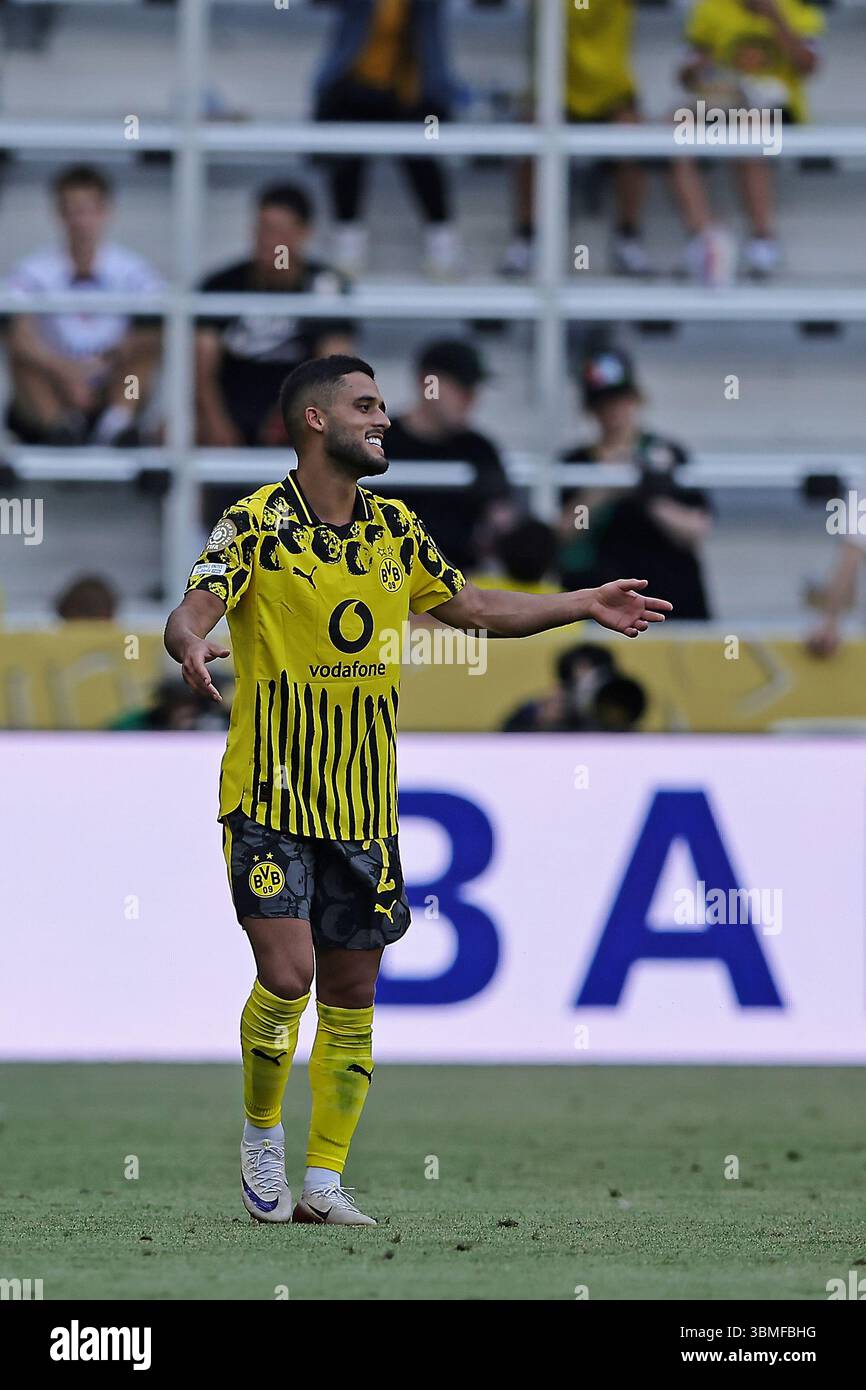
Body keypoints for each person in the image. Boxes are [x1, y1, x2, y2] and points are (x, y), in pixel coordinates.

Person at [163, 354, 672, 1227]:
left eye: (384, 407)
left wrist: (581, 600)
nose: (385, 419)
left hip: (362, 805)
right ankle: (260, 1138)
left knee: (352, 995)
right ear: (316, 421)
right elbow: (195, 607)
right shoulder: (253, 523)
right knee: (287, 976)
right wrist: (188, 643)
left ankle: (323, 1180)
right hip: (271, 798)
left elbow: (472, 607)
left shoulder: (395, 528)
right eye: (366, 405)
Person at [6, 165, 162, 446]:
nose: (81, 221)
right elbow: (17, 335)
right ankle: (60, 430)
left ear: (106, 211)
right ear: (59, 214)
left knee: (146, 352)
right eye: (72, 210)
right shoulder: (33, 271)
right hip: (53, 385)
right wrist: (64, 371)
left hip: (111, 383)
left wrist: (99, 366)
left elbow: (151, 332)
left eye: (88, 209)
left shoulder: (134, 270)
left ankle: (116, 424)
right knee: (20, 356)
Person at [671, 0, 824, 283]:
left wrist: (775, 18)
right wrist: (698, 67)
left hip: (778, 107)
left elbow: (808, 67)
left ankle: (762, 238)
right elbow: (685, 76)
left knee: (751, 123)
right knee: (674, 124)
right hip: (723, 102)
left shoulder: (797, 8)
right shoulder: (710, 9)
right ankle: (703, 236)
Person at [501, 0, 653, 279]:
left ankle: (628, 237)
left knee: (633, 140)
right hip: (554, 91)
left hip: (611, 93)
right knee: (528, 138)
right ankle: (527, 236)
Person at [196, 183, 353, 450]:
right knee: (172, 432)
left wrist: (293, 414)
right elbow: (200, 367)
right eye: (261, 229)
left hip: (300, 408)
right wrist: (216, 421)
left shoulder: (326, 287)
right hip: (231, 405)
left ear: (303, 233)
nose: (267, 240)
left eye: (278, 231)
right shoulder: (221, 285)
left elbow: (334, 367)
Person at [559, 349, 712, 620]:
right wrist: (605, 486)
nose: (612, 410)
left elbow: (695, 529)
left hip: (671, 599)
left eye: (620, 399)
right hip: (599, 603)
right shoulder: (575, 462)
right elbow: (561, 536)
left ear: (636, 398)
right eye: (602, 402)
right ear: (589, 407)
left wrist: (648, 495)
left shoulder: (669, 453)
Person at [313, 0, 459, 278]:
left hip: (413, 91)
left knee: (423, 157)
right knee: (346, 155)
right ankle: (348, 248)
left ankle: (443, 248)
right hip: (359, 86)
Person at [384, 339, 514, 572]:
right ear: (427, 383)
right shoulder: (380, 442)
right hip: (386, 580)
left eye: (474, 389)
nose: (471, 398)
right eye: (462, 388)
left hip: (460, 587)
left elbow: (502, 517)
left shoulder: (479, 449)